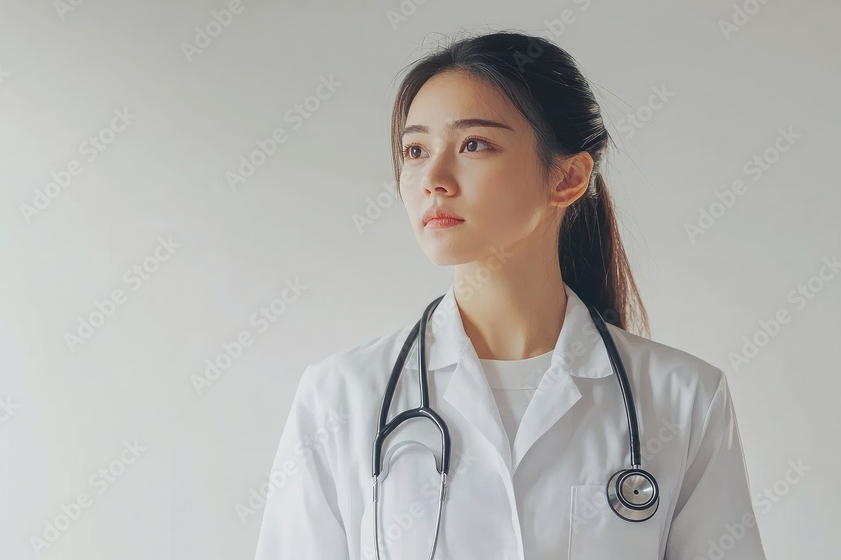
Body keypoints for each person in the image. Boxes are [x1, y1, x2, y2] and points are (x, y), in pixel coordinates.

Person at [254, 30, 766, 559]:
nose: (433, 178)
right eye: (415, 149)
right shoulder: (341, 396)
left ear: (567, 177)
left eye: (474, 144)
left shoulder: (684, 399)